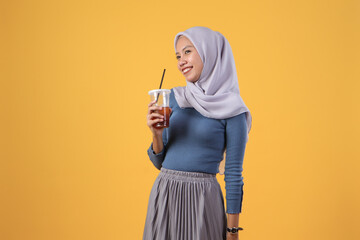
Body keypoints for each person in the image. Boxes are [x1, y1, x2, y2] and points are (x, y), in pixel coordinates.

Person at [143, 26, 252, 240]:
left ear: (209, 52)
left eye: (187, 51)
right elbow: (160, 162)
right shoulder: (173, 97)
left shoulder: (233, 109)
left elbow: (233, 174)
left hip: (203, 200)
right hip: (165, 195)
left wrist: (232, 231)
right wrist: (156, 135)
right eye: (177, 55)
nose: (181, 61)